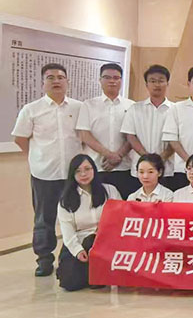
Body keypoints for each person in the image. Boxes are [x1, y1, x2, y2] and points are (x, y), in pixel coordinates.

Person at [12, 62, 84, 276]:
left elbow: (84, 137)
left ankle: (73, 256)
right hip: (44, 174)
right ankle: (44, 259)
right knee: (44, 218)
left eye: (60, 77)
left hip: (74, 175)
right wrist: (38, 157)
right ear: (43, 83)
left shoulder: (79, 108)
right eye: (51, 78)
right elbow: (20, 139)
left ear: (67, 81)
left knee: (77, 217)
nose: (56, 81)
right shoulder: (31, 109)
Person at [56, 154, 121, 291]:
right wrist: (78, 251)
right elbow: (67, 232)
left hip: (104, 241)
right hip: (80, 242)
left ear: (94, 170)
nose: (83, 174)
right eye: (78, 171)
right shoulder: (65, 200)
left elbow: (120, 217)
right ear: (72, 174)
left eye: (87, 169)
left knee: (92, 245)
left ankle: (97, 273)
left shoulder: (110, 190)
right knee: (69, 284)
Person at [76, 62, 136, 200]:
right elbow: (85, 135)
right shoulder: (88, 105)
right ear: (100, 80)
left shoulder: (131, 105)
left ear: (121, 80)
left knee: (124, 207)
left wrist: (118, 156)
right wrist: (109, 155)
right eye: (107, 77)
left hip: (124, 167)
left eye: (116, 78)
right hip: (97, 167)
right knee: (99, 207)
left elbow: (133, 135)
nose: (112, 81)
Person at [121, 64, 174, 193]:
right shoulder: (135, 108)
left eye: (161, 80)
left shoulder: (175, 109)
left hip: (167, 169)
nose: (157, 84)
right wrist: (147, 159)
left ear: (167, 83)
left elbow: (177, 138)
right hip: (140, 170)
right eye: (152, 81)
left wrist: (161, 158)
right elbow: (130, 136)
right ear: (146, 85)